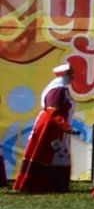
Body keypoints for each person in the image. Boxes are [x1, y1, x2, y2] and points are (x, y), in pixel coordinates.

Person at [12, 63, 75, 193]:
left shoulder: (61, 89)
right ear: (64, 76)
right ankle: (42, 183)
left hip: (57, 126)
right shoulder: (57, 90)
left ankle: (54, 184)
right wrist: (66, 126)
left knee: (58, 154)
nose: (72, 78)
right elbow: (53, 111)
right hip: (51, 127)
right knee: (49, 153)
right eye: (70, 75)